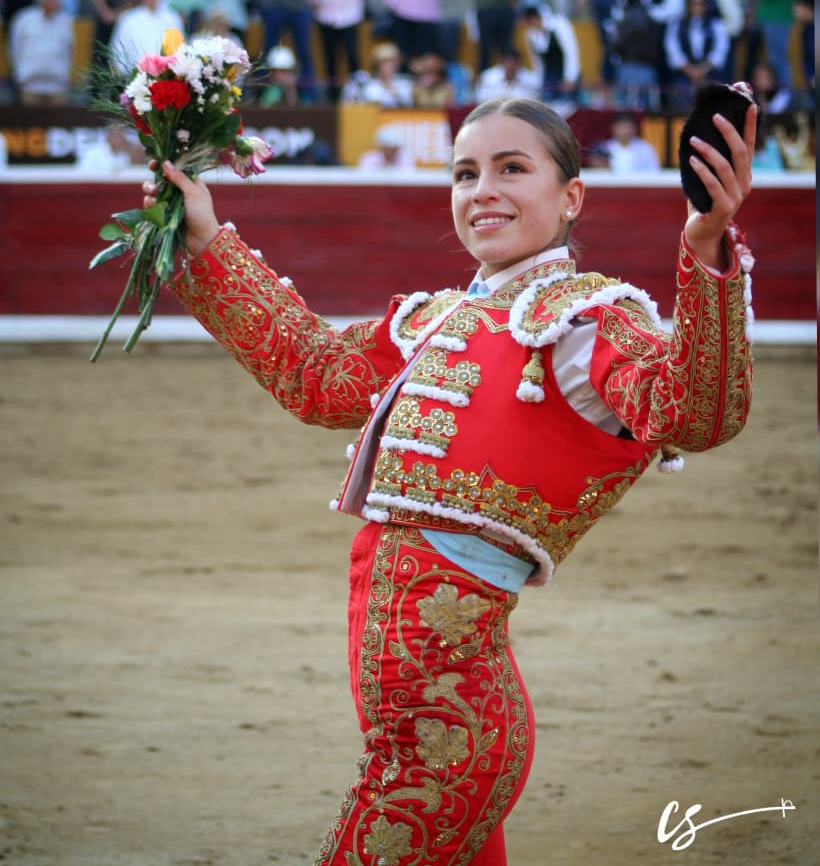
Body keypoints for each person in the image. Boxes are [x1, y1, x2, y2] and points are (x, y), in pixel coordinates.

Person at [142, 92, 756, 864]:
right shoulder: (436, 319)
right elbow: (313, 372)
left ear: (570, 198)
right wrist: (204, 235)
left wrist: (704, 248)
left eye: (511, 168)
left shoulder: (587, 322)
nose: (482, 190)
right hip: (425, 720)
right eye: (465, 173)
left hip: (446, 733)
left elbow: (694, 412)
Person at [8, 0, 74, 105]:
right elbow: (14, 48)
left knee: (58, 124)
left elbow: (70, 50)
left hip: (58, 86)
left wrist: (66, 75)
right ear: (41, 0)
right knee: (29, 122)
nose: (56, 2)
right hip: (30, 85)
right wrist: (19, 73)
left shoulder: (65, 22)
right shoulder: (24, 20)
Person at [475, 46, 541, 101]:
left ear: (519, 63)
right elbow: (480, 99)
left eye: (513, 63)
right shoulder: (487, 77)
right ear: (502, 62)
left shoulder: (532, 80)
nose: (510, 66)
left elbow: (534, 102)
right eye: (508, 62)